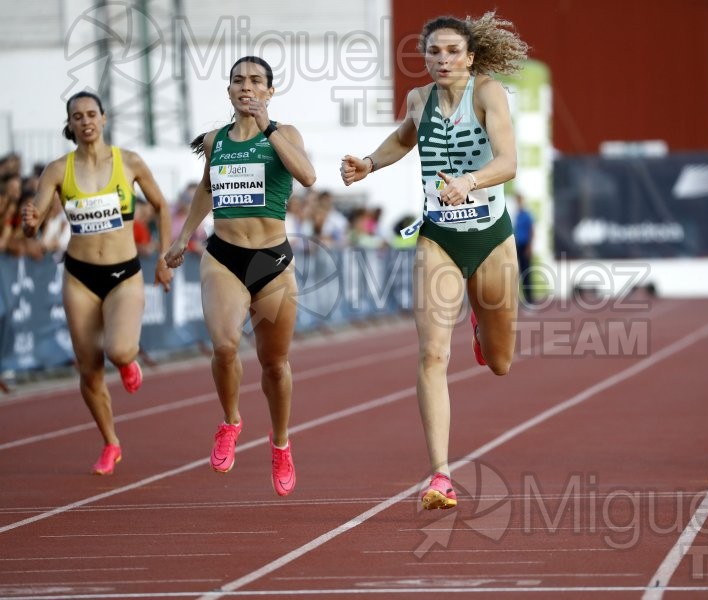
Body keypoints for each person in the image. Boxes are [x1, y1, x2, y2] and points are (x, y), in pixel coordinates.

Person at [341, 12, 528, 509]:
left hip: (490, 236)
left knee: (503, 362)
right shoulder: (418, 99)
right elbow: (406, 135)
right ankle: (440, 476)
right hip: (438, 237)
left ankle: (481, 328)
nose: (442, 60)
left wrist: (469, 181)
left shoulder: (488, 94)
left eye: (452, 52)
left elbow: (508, 161)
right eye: (433, 52)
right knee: (431, 356)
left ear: (469, 57)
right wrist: (370, 162)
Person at [164, 56, 316, 496]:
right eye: (238, 81)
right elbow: (207, 189)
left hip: (272, 262)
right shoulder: (216, 141)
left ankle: (281, 443)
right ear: (228, 90)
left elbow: (307, 176)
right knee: (225, 345)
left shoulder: (284, 135)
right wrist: (182, 238)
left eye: (255, 81)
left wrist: (268, 127)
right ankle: (230, 421)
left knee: (274, 365)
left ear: (270, 90)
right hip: (224, 255)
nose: (246, 87)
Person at [21, 90, 173, 475]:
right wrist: (30, 220)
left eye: (92, 113)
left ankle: (126, 362)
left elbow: (162, 205)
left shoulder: (130, 162)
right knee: (88, 369)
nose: (86, 120)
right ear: (70, 125)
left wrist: (165, 256)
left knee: (120, 350)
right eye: (78, 116)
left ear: (104, 118)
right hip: (80, 275)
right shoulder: (58, 170)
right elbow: (35, 219)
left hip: (124, 272)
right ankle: (111, 443)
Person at [513, 192, 535, 304]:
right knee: (518, 272)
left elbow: (531, 231)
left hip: (525, 245)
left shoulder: (527, 215)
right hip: (517, 246)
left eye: (519, 200)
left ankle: (530, 299)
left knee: (527, 272)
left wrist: (529, 247)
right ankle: (521, 298)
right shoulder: (516, 215)